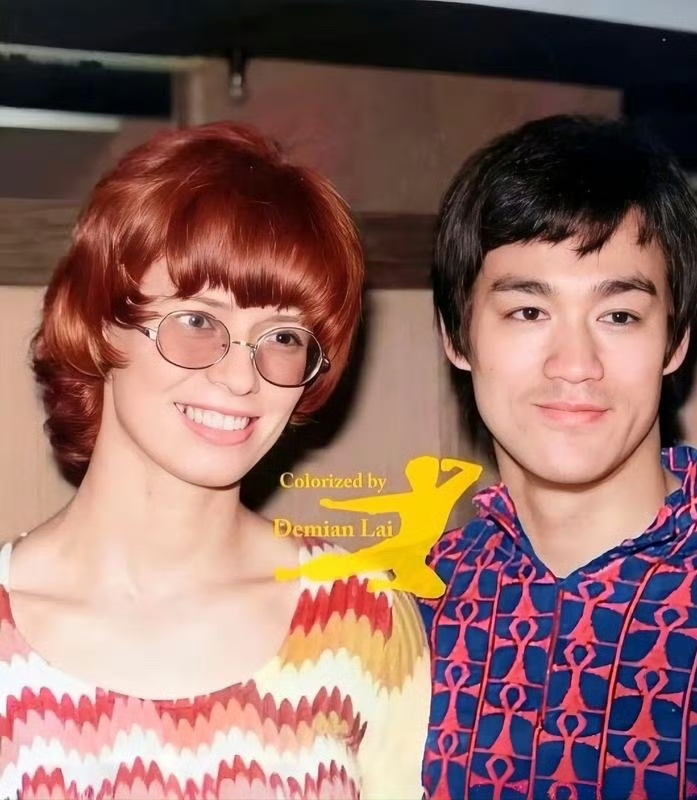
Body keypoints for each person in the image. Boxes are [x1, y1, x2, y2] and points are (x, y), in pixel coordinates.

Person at [0, 121, 430, 800]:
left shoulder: (363, 621)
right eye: (199, 321)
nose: (240, 378)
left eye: (282, 336)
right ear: (100, 319)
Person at [418, 114, 697, 799]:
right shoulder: (415, 606)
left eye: (618, 315)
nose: (575, 364)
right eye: (528, 312)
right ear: (457, 336)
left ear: (674, 341)